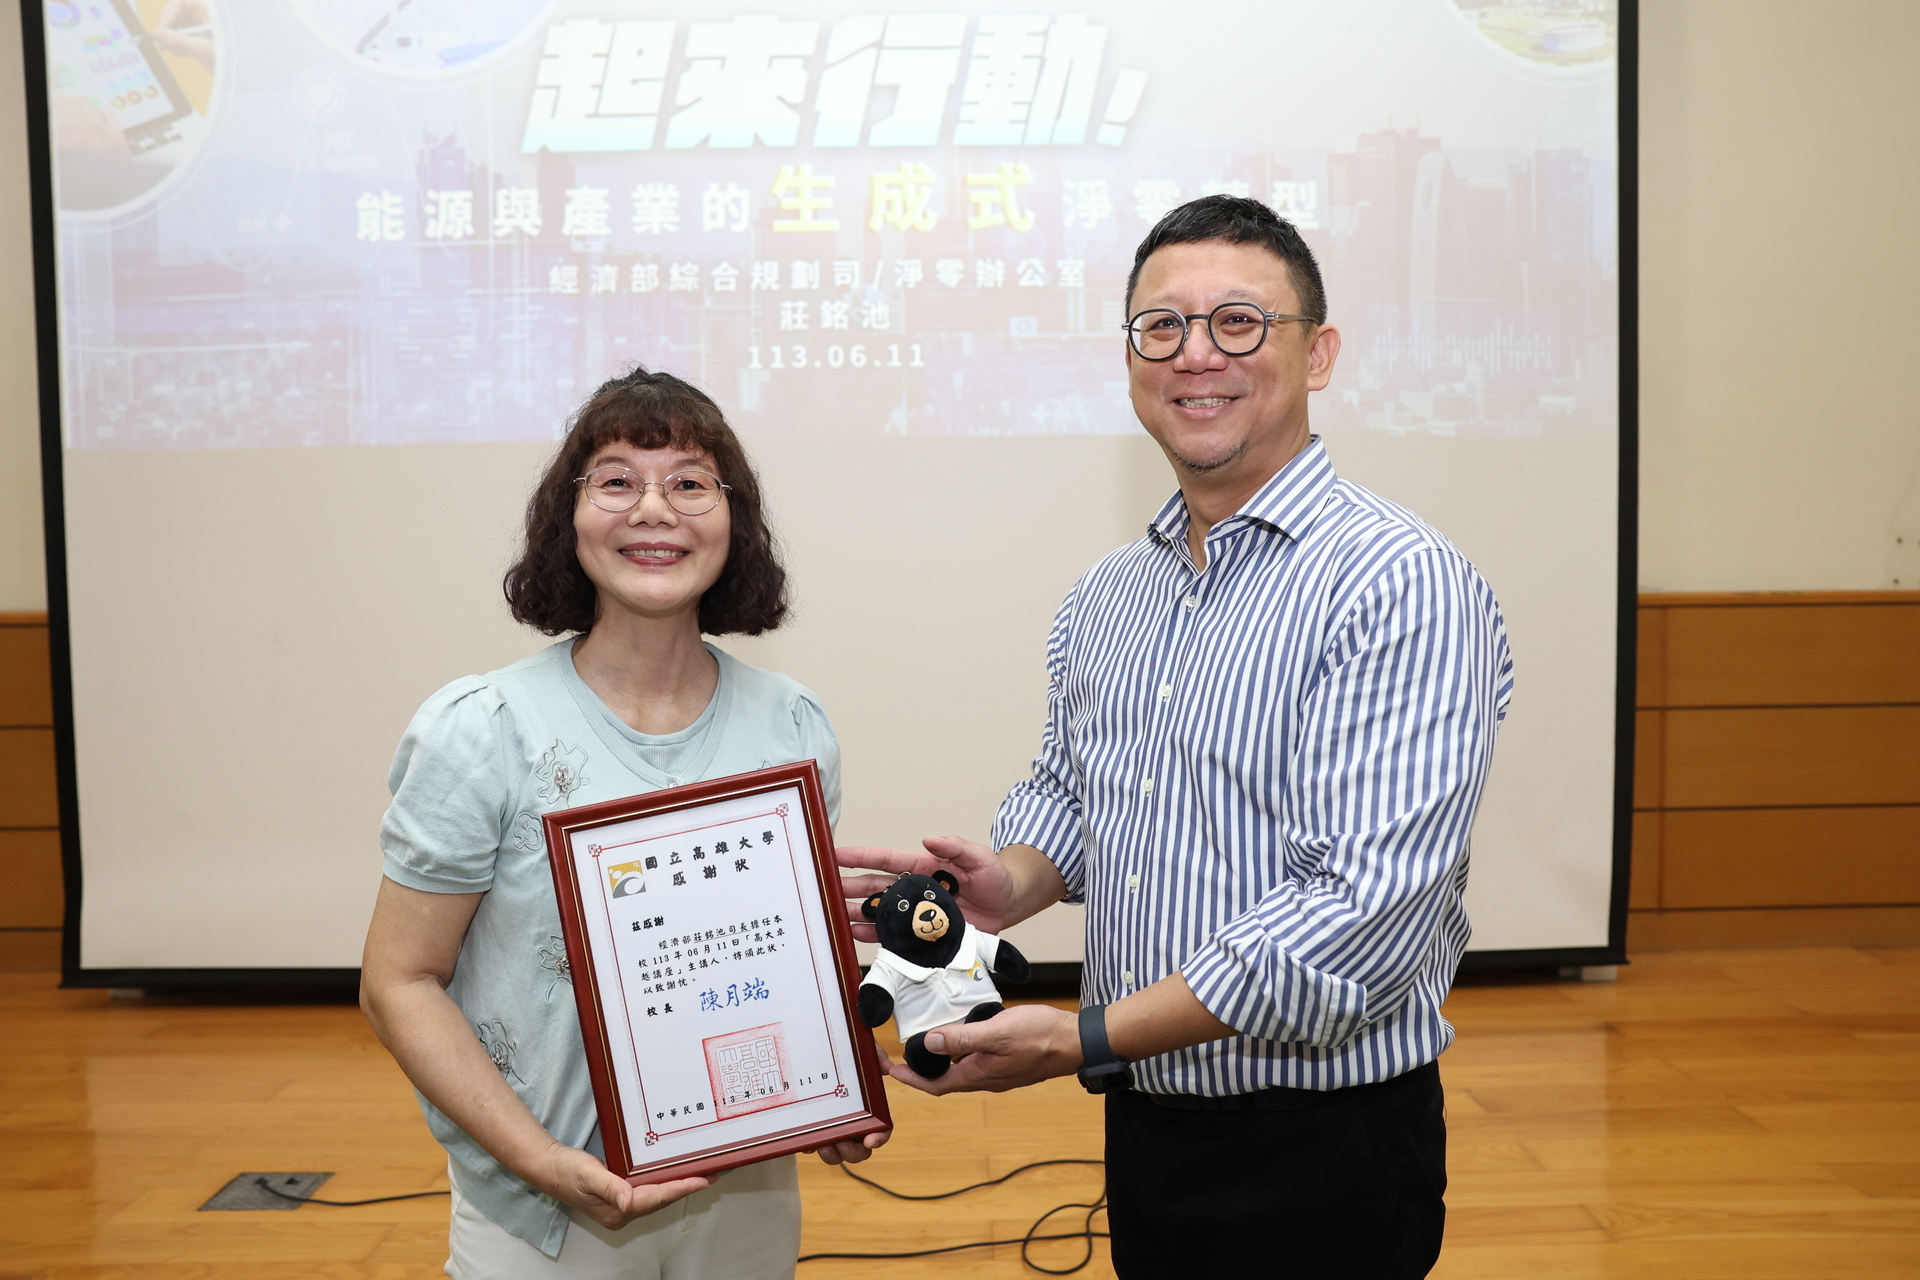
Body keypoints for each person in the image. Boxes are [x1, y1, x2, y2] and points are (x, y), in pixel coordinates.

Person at [839, 196, 1513, 1279]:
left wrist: (1086, 1038)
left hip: (1322, 1137)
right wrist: (997, 887)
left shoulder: (1400, 583)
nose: (1197, 354)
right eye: (1163, 327)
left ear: (1320, 351)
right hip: (1150, 1119)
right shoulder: (1110, 593)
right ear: (1131, 360)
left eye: (1239, 321)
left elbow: (1359, 916)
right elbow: (1075, 798)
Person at [362, 367, 885, 1279]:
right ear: (568, 520)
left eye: (690, 481)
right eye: (616, 481)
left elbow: (785, 964)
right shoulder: (482, 728)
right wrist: (536, 1160)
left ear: (736, 520)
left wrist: (828, 1090)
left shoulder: (791, 723)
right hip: (541, 1210)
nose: (654, 509)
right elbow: (399, 982)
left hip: (747, 1193)